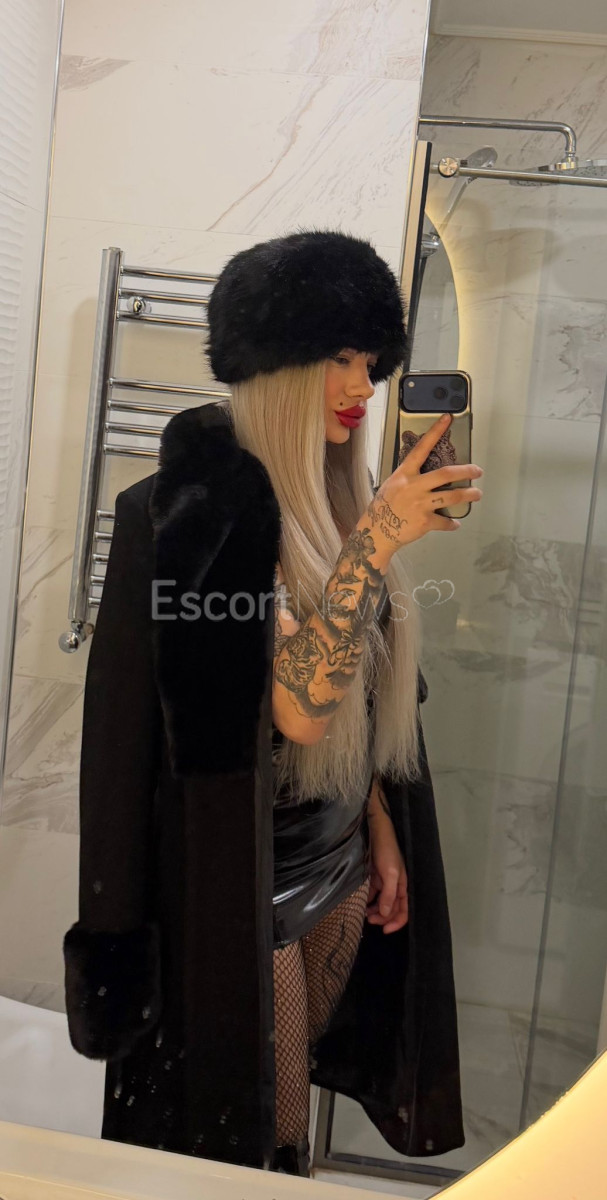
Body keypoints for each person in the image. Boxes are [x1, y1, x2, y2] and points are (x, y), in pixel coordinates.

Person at [63, 229, 483, 1175]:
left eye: (371, 362)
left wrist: (378, 826)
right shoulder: (193, 515)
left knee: (287, 1134)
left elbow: (359, 701)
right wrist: (374, 544)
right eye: (340, 357)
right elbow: (289, 711)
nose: (362, 384)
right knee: (257, 1138)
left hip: (338, 858)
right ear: (278, 363)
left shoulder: (338, 499)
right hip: (244, 885)